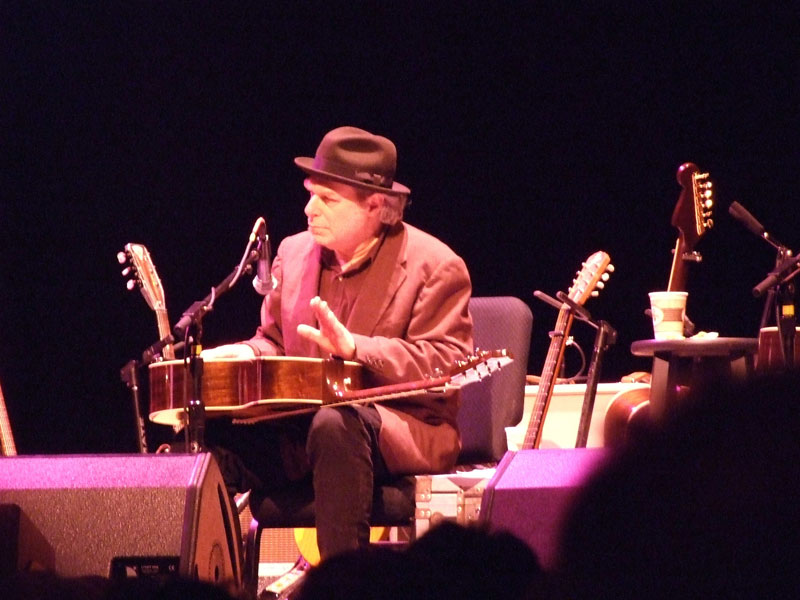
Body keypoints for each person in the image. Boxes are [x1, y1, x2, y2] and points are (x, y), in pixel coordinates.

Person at [202, 126, 474, 560]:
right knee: (210, 432)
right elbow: (272, 338)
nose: (310, 209)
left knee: (336, 424)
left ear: (376, 206)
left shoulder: (436, 265)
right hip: (303, 424)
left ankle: (342, 584)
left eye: (328, 200)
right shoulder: (293, 253)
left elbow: (448, 362)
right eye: (311, 193)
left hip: (401, 427)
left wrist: (356, 349)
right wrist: (247, 354)